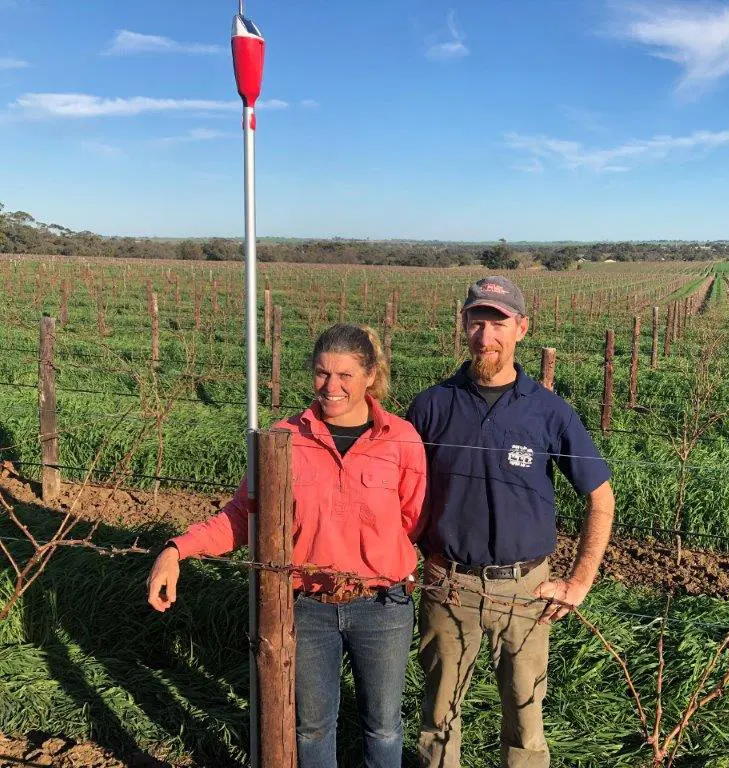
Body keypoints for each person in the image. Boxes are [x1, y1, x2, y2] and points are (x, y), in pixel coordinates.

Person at [146, 323, 427, 768]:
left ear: (370, 375)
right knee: (312, 727)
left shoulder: (402, 440)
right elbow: (243, 516)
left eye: (345, 376)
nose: (331, 387)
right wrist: (177, 549)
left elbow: (412, 520)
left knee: (385, 725)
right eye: (321, 374)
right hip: (308, 607)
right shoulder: (282, 439)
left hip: (383, 606)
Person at [406, 276, 616, 768]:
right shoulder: (431, 406)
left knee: (525, 721)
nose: (486, 336)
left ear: (522, 328)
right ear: (463, 326)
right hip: (448, 585)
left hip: (526, 593)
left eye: (498, 323)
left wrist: (580, 581)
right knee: (438, 722)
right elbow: (399, 493)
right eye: (477, 321)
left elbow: (601, 498)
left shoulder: (550, 412)